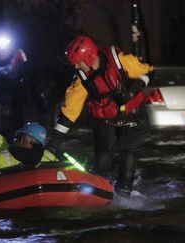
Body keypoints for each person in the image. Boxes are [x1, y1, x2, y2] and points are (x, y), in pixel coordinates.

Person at [49, 35, 153, 196]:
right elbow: (71, 109)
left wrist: (129, 93)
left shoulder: (120, 60)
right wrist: (55, 139)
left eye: (78, 62)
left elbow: (148, 72)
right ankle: (100, 189)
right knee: (103, 158)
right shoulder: (82, 79)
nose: (76, 66)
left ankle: (125, 191)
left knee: (128, 151)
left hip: (133, 115)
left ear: (90, 58)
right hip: (105, 119)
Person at [0, 32, 48, 142]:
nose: (2, 50)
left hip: (15, 106)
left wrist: (42, 108)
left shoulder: (19, 59)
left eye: (5, 47)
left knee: (14, 136)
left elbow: (34, 83)